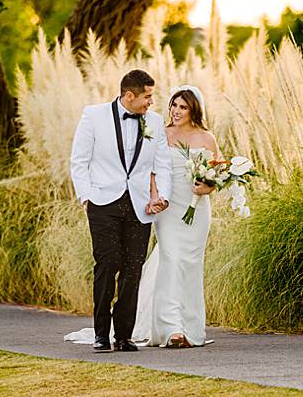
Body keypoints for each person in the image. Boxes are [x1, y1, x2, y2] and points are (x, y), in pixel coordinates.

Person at [66, 70, 171, 352]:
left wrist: (162, 196)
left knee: (133, 269)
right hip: (103, 203)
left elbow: (162, 164)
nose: (151, 102)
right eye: (147, 96)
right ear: (129, 95)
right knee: (107, 263)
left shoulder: (155, 122)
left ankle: (123, 335)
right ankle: (101, 333)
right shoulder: (93, 116)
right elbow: (79, 161)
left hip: (140, 205)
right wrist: (86, 197)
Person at [142, 84, 219, 348]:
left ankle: (190, 328)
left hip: (197, 210)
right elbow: (151, 172)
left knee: (191, 264)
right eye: (174, 105)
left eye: (183, 107)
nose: (176, 111)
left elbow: (217, 173)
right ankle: (171, 328)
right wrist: (155, 198)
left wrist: (207, 187)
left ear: (193, 110)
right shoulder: (160, 135)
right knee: (171, 260)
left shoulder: (207, 138)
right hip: (168, 208)